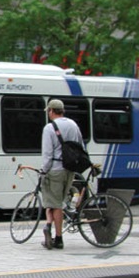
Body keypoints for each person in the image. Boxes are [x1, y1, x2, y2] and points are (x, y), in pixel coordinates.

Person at [40, 99, 84, 250]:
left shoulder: (49, 128)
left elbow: (47, 153)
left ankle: (58, 237)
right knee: (58, 201)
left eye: (48, 111)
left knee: (55, 204)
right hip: (70, 169)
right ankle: (49, 228)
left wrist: (44, 170)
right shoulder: (73, 125)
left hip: (55, 169)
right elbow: (81, 146)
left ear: (51, 111)